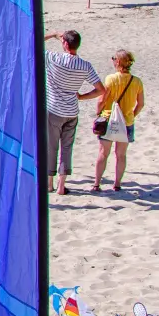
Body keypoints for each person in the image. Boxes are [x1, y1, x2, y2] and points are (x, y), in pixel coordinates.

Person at [43, 30, 103, 196]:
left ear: (65, 44)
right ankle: (62, 185)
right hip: (71, 110)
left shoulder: (55, 58)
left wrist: (53, 35)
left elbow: (32, 43)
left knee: (52, 146)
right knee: (67, 148)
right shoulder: (85, 65)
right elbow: (100, 89)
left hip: (54, 109)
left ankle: (49, 183)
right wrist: (82, 96)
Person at [92, 50, 144, 193]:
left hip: (108, 119)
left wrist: (98, 113)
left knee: (103, 153)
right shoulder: (137, 81)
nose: (113, 60)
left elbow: (102, 99)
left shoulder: (111, 79)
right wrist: (131, 115)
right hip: (126, 121)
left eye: (114, 58)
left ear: (118, 62)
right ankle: (117, 184)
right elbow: (140, 104)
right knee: (121, 155)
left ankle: (97, 184)